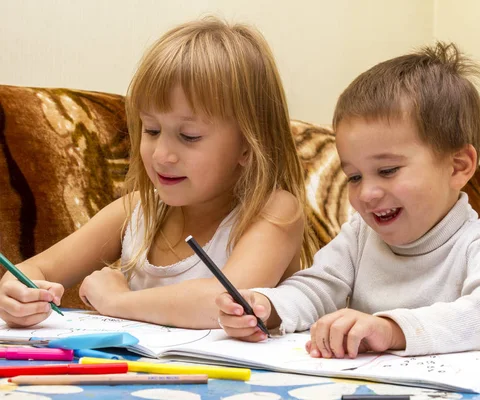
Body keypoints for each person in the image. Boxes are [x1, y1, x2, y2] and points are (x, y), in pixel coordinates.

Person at [216, 42, 480, 358]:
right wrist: (267, 307)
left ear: (458, 166)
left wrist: (391, 330)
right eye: (354, 177)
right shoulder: (359, 236)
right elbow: (316, 289)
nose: (366, 193)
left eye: (387, 170)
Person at [0, 17, 318, 329]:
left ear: (248, 146)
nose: (162, 155)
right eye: (151, 130)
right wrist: (17, 294)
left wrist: (117, 302)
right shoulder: (135, 211)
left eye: (189, 136)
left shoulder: (275, 211)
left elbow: (229, 303)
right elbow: (34, 270)